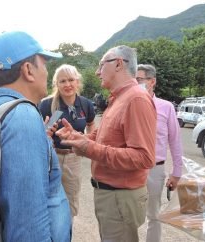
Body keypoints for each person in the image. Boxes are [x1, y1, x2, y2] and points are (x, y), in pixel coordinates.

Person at [56, 45, 157, 242]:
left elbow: (144, 157)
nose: (97, 71)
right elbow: (106, 137)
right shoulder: (119, 98)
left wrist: (88, 148)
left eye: (101, 65)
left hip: (120, 197)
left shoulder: (136, 99)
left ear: (118, 64)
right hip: (112, 196)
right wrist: (80, 138)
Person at [0, 31, 71, 241]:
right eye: (44, 64)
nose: (47, 74)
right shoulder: (23, 116)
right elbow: (27, 222)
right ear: (28, 70)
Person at [38, 64, 96, 219]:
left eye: (71, 80)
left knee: (71, 200)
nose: (68, 84)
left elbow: (91, 124)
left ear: (78, 81)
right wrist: (45, 133)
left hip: (73, 158)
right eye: (62, 81)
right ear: (56, 84)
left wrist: (88, 142)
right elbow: (39, 132)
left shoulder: (86, 104)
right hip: (50, 157)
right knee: (47, 197)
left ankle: (66, 233)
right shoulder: (46, 104)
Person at [136, 64, 183, 242]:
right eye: (133, 80)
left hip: (155, 170)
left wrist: (177, 172)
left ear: (152, 81)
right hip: (131, 168)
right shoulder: (128, 104)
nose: (135, 83)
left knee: (154, 215)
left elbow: (175, 141)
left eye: (139, 80)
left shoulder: (165, 107)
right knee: (129, 213)